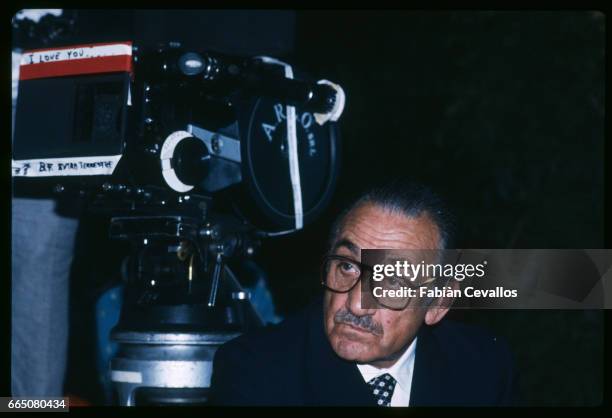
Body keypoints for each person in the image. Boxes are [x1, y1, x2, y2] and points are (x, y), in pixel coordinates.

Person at [209, 181, 517, 406]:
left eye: (393, 281)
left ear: (438, 303)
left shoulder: (483, 368)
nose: (356, 304)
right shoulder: (254, 374)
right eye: (346, 267)